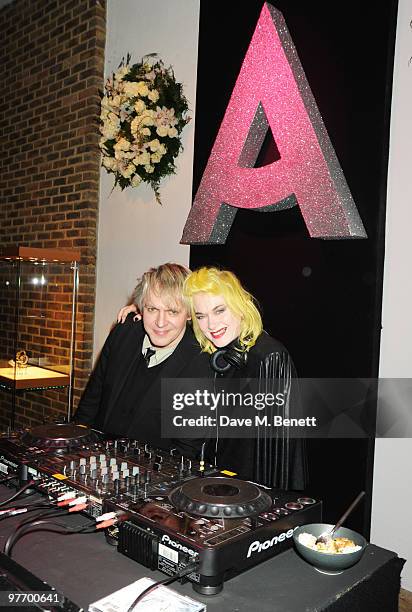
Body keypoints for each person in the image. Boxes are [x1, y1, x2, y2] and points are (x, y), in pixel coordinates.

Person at [183, 266, 307, 491]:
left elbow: (279, 454)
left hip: (250, 497)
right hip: (219, 487)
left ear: (240, 308)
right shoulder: (217, 356)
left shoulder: (268, 357)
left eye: (219, 310)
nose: (210, 325)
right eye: (201, 316)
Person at [74, 263, 211, 457]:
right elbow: (90, 405)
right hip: (95, 461)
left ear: (189, 314)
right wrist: (72, 451)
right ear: (140, 308)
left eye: (172, 311)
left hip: (151, 476)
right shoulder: (123, 333)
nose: (160, 322)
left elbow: (187, 451)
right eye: (152, 309)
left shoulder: (200, 362)